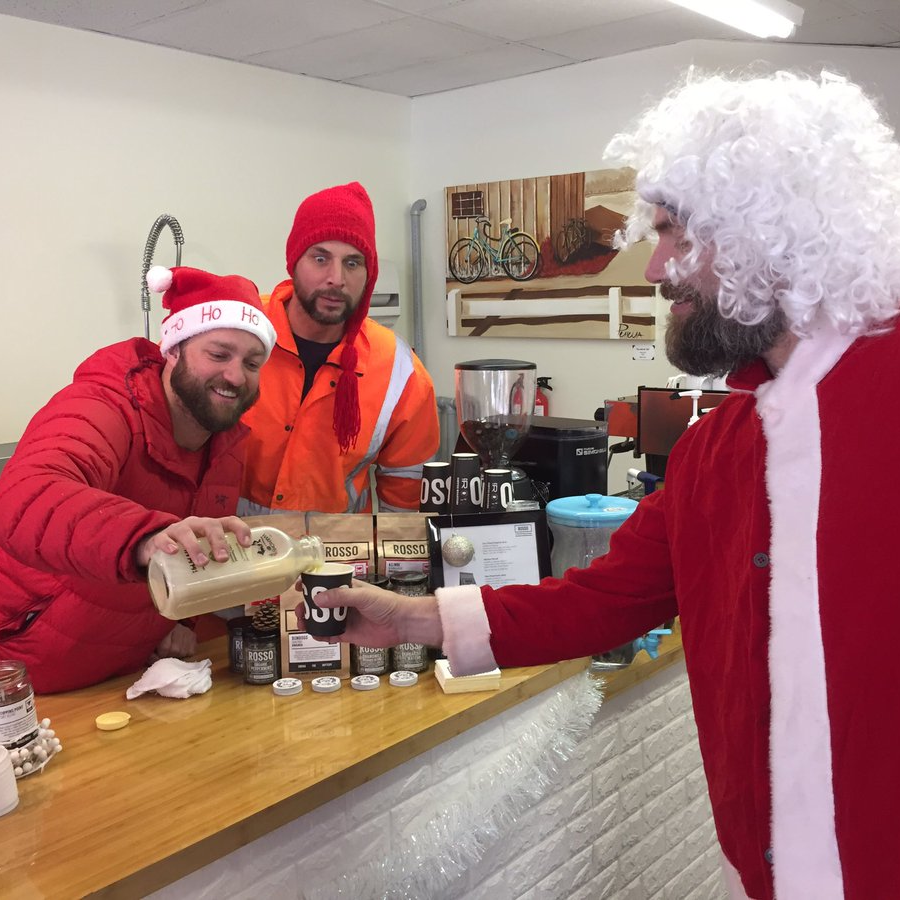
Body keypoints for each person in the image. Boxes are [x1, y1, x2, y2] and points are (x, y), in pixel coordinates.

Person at [315, 71, 900, 900]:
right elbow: (602, 598)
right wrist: (415, 617)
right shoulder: (716, 452)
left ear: (769, 230)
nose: (656, 267)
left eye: (674, 234)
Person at [0, 266, 277, 692]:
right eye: (219, 355)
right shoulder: (103, 406)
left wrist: (182, 618)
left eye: (252, 363)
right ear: (173, 350)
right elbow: (25, 495)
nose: (236, 376)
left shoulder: (226, 443)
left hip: (121, 678)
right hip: (20, 678)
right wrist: (148, 536)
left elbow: (195, 545)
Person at [239, 181, 439, 515]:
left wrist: (398, 566)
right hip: (230, 556)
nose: (336, 278)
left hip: (340, 563)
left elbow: (408, 494)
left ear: (368, 273)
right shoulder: (238, 329)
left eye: (352, 263)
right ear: (294, 262)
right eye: (320, 258)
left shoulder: (398, 370)